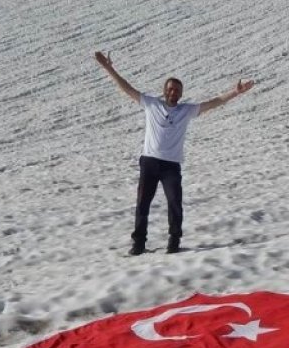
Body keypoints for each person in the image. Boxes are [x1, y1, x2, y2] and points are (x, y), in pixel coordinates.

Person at [95, 51, 255, 255]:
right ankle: (139, 244)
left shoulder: (186, 111)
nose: (173, 93)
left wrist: (236, 92)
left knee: (174, 203)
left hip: (171, 165)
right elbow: (127, 88)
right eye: (170, 89)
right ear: (164, 91)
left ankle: (174, 241)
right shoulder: (152, 104)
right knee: (142, 204)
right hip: (149, 162)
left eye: (177, 90)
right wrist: (109, 68)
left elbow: (215, 102)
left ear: (180, 94)